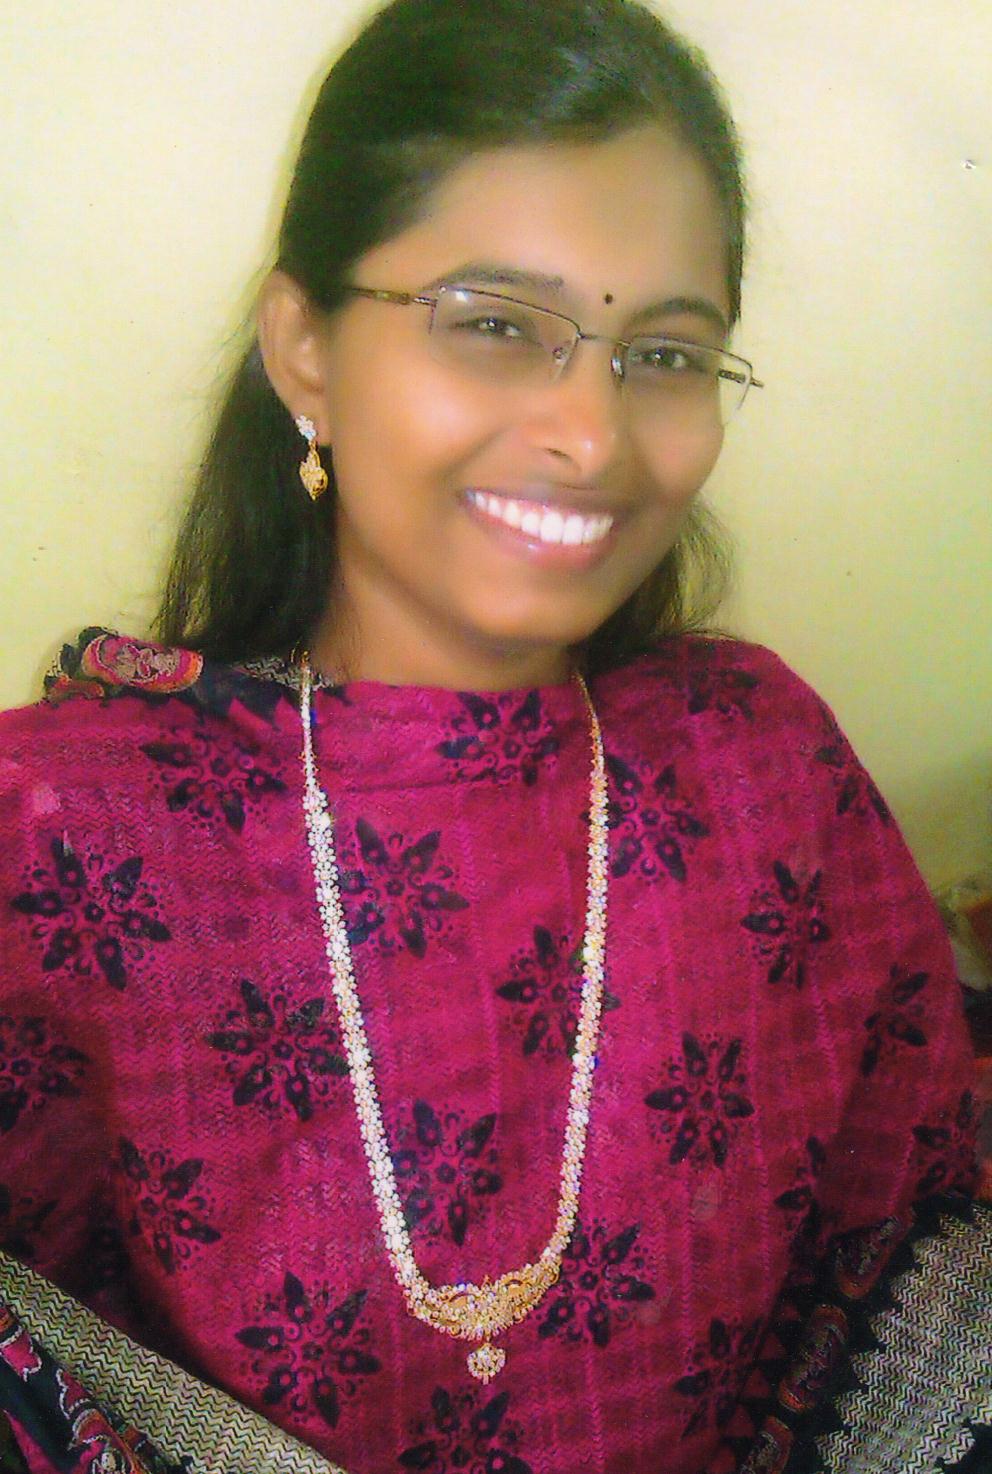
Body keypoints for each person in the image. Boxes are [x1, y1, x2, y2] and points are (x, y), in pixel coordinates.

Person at [0, 1, 985, 1471]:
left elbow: (925, 1262)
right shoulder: (62, 834)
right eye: (496, 325)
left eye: (666, 353)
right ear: (305, 349)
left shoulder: (760, 766)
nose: (592, 435)